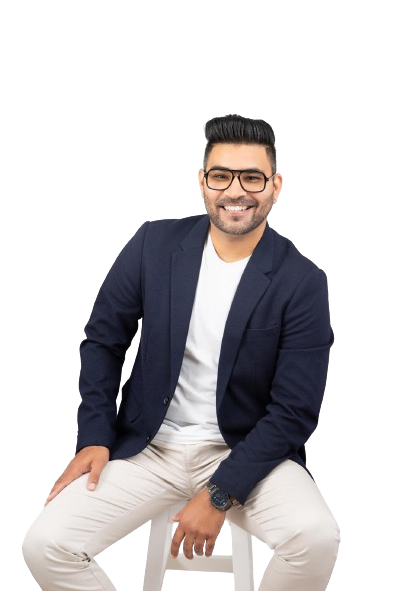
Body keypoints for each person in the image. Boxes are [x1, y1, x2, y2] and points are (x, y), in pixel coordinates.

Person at [23, 113, 340, 590]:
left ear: (275, 186)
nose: (236, 191)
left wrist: (219, 494)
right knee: (45, 545)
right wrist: (94, 436)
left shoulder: (303, 281)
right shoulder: (152, 244)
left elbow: (294, 410)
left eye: (252, 178)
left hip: (246, 451)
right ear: (202, 182)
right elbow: (104, 342)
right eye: (221, 176)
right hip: (148, 448)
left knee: (316, 538)